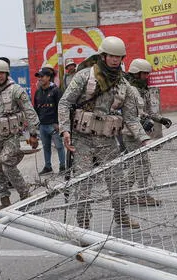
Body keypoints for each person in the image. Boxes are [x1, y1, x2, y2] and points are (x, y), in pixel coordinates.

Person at [59, 36, 150, 229]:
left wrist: (144, 139)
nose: (115, 60)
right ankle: (83, 222)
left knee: (117, 182)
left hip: (107, 141)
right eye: (112, 56)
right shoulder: (84, 76)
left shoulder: (124, 85)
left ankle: (121, 215)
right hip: (82, 139)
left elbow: (131, 118)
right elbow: (65, 102)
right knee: (83, 184)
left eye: (119, 57)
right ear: (103, 55)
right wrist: (65, 130)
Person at [0, 59, 40, 209]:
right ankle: (4, 200)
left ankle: (25, 194)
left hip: (11, 135)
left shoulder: (16, 90)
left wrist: (33, 133)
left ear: (6, 74)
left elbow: (29, 112)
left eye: (1, 73)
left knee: (6, 161)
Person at [123, 58, 172, 207]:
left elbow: (149, 111)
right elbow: (126, 112)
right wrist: (141, 120)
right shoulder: (127, 90)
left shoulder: (144, 90)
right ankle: (142, 195)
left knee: (138, 164)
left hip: (142, 133)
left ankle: (124, 193)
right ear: (136, 74)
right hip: (131, 133)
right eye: (144, 74)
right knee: (142, 164)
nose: (146, 77)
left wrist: (161, 119)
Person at [33, 67, 64, 174]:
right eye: (39, 77)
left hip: (54, 125)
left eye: (42, 76)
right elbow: (36, 109)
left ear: (48, 77)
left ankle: (63, 167)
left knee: (59, 146)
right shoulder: (38, 92)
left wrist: (58, 123)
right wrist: (36, 124)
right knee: (46, 147)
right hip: (43, 125)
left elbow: (61, 108)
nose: (39, 79)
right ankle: (48, 167)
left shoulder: (56, 91)